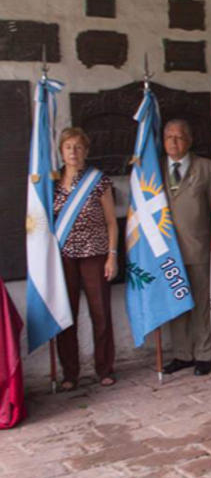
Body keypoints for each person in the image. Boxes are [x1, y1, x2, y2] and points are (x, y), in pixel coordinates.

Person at [53, 128, 117, 390]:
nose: (73, 152)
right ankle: (70, 373)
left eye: (78, 147)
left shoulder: (98, 181)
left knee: (100, 312)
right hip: (63, 257)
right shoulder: (50, 182)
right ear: (61, 151)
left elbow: (112, 222)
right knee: (66, 315)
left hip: (95, 253)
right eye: (68, 147)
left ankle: (104, 368)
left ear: (86, 151)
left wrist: (112, 256)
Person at [160, 119, 211, 377]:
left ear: (190, 140)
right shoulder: (155, 169)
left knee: (202, 304)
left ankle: (204, 354)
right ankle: (182, 354)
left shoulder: (206, 168)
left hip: (199, 249)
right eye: (169, 137)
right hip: (168, 253)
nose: (174, 141)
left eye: (179, 137)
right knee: (176, 306)